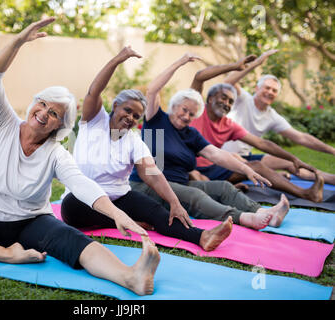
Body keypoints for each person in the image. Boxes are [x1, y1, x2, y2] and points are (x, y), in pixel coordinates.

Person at [0, 17, 161, 296]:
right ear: (33, 103)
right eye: (42, 104)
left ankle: (130, 276)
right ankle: (7, 254)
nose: (44, 113)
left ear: (61, 124)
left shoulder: (56, 154)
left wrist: (117, 213)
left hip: (33, 223)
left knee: (72, 239)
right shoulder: (3, 124)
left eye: (54, 113)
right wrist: (19, 41)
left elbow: (82, 184)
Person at [61, 46, 234, 250]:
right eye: (127, 110)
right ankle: (126, 221)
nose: (130, 118)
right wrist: (118, 59)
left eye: (136, 116)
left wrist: (174, 202)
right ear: (115, 105)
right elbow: (94, 90)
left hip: (119, 197)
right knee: (70, 208)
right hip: (84, 201)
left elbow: (152, 174)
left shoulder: (133, 140)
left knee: (157, 210)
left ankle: (202, 236)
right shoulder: (93, 121)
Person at [128, 52, 290, 230]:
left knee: (223, 187)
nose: (186, 116)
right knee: (195, 195)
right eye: (184, 110)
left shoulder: (191, 134)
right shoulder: (156, 120)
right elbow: (152, 89)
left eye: (192, 114)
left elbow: (216, 154)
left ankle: (263, 213)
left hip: (180, 184)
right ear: (174, 106)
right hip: (147, 185)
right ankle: (244, 218)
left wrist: (246, 169)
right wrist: (179, 62)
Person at [187, 57, 325, 203]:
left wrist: (293, 159)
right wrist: (233, 66)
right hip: (189, 167)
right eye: (223, 98)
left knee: (256, 166)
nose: (226, 103)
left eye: (230, 101)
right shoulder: (196, 109)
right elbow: (199, 77)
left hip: (214, 168)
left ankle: (306, 193)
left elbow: (262, 143)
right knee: (197, 176)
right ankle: (221, 188)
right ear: (210, 98)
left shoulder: (228, 124)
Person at [222, 49, 335, 185]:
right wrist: (256, 63)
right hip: (224, 156)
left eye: (274, 90)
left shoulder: (271, 115)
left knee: (289, 162)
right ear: (257, 89)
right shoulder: (243, 99)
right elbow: (227, 83)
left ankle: (330, 179)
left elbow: (301, 137)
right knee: (252, 165)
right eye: (267, 88)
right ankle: (269, 174)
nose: (270, 92)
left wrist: (332, 150)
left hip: (247, 158)